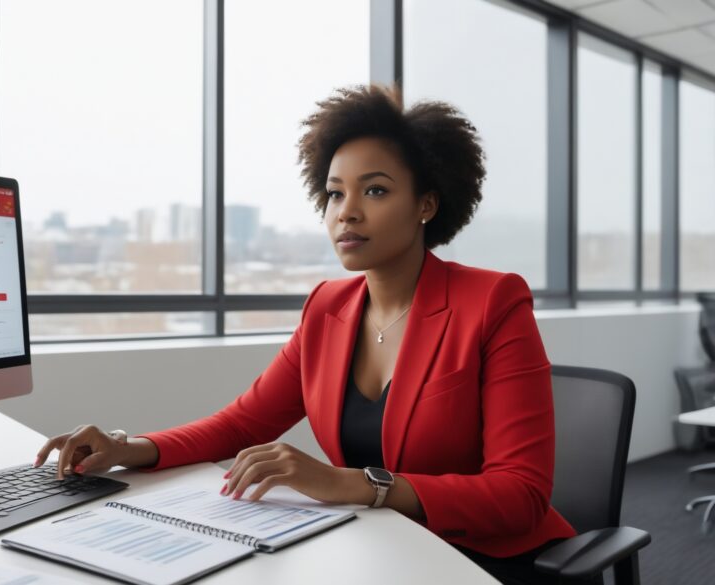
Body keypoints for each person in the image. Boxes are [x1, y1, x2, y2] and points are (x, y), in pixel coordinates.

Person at [34, 83, 588, 585]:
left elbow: (522, 494)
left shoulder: (492, 301)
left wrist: (353, 483)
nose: (346, 214)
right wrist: (126, 448)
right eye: (334, 194)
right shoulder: (328, 307)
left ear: (427, 203)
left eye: (373, 191)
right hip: (381, 549)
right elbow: (241, 423)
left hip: (489, 561)